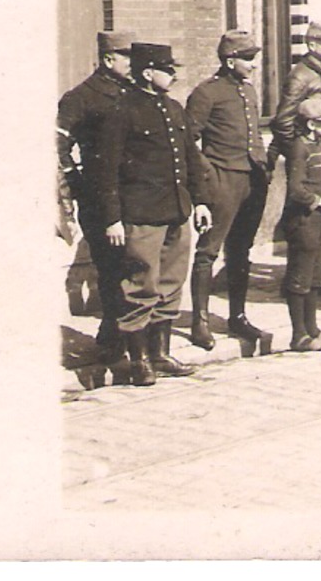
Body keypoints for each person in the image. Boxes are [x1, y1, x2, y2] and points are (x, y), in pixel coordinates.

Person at [91, 43, 213, 387]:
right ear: (148, 73)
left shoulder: (174, 109)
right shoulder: (122, 111)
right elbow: (107, 171)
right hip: (140, 213)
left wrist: (200, 202)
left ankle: (160, 354)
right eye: (168, 70)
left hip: (177, 210)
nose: (174, 75)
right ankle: (139, 360)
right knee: (141, 284)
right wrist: (113, 218)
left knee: (171, 282)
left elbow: (191, 160)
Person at [185, 31, 272, 350]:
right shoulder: (206, 93)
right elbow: (188, 142)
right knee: (208, 251)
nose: (254, 65)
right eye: (248, 59)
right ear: (230, 59)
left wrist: (265, 164)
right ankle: (200, 322)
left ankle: (238, 316)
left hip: (251, 181)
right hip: (221, 180)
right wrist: (205, 179)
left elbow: (255, 134)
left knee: (241, 251)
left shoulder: (248, 91)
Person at [56, 30, 135, 363]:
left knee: (132, 266)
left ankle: (124, 335)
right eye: (127, 57)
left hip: (132, 194)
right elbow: (57, 145)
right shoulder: (81, 97)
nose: (133, 64)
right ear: (108, 59)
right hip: (99, 198)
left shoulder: (132, 92)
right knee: (111, 268)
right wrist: (76, 181)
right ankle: (113, 341)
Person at [268, 21, 321, 296]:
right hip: (316, 158)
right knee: (309, 221)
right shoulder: (301, 76)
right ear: (311, 44)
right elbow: (283, 120)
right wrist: (302, 149)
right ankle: (298, 282)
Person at [278, 97, 321, 351]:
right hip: (304, 220)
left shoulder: (316, 144)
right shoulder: (299, 147)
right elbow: (296, 189)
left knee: (316, 274)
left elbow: (316, 179)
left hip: (320, 219)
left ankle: (312, 328)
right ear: (309, 124)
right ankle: (299, 335)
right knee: (300, 275)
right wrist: (320, 201)